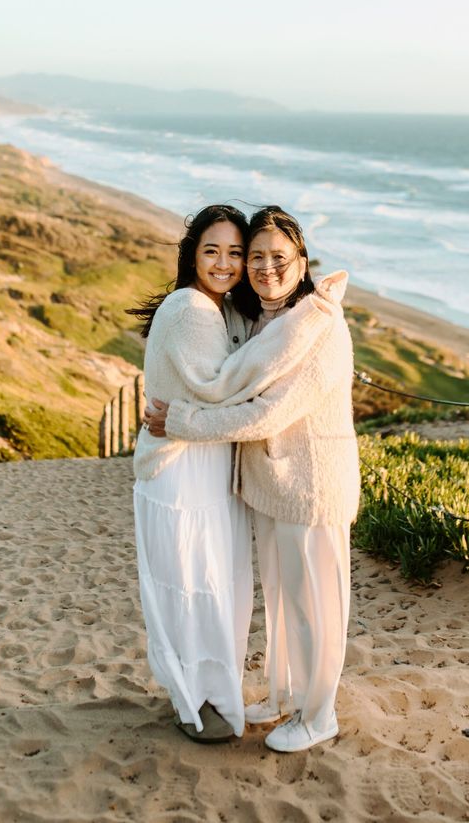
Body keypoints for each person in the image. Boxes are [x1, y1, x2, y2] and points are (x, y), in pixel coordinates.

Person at [145, 206, 360, 754]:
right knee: (285, 603)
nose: (264, 268)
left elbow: (268, 413)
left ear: (302, 261)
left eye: (276, 257)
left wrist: (184, 421)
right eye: (255, 256)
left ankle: (319, 715)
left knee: (316, 605)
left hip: (312, 486)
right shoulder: (265, 320)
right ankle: (287, 695)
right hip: (272, 487)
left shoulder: (320, 325)